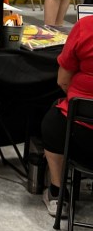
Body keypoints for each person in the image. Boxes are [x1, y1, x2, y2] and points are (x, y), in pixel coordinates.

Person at [41, 15, 93, 217]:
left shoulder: (86, 26)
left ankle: (57, 193)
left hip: (81, 132)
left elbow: (63, 80)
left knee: (53, 122)